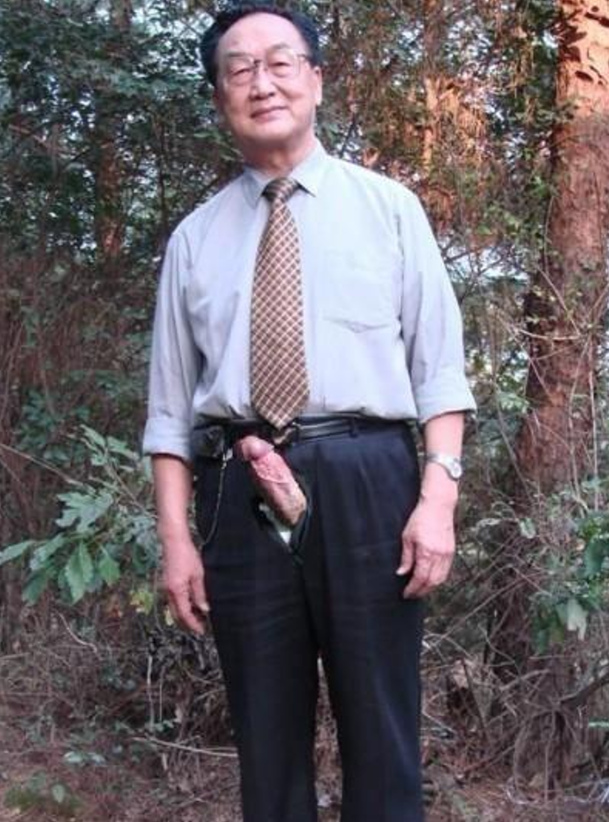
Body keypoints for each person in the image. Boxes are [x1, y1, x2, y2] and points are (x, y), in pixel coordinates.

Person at [143, 3, 476, 821]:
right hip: (238, 485)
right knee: (264, 732)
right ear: (219, 95)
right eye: (239, 69)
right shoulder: (194, 240)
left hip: (368, 477)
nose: (262, 82)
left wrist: (436, 500)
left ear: (317, 80)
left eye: (280, 62)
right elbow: (169, 413)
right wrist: (178, 540)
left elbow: (439, 372)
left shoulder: (388, 209)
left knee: (381, 723)